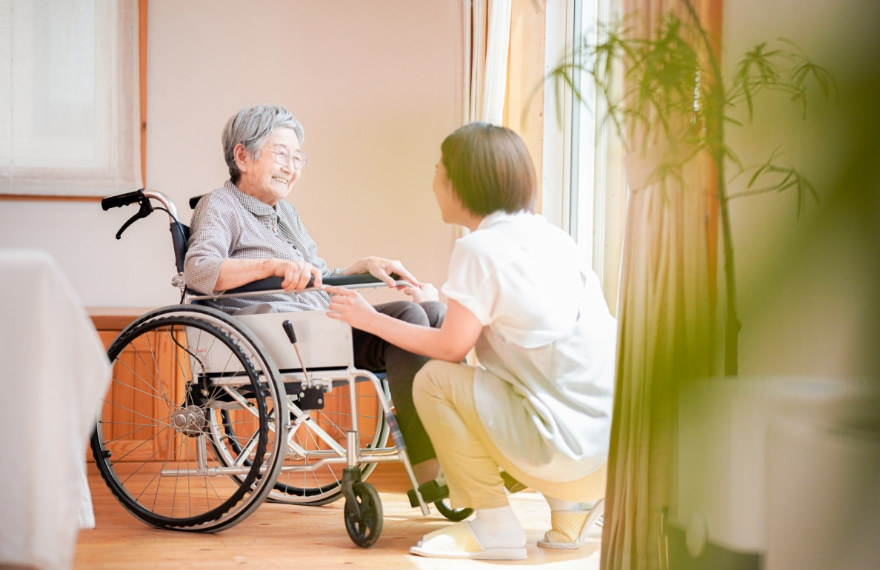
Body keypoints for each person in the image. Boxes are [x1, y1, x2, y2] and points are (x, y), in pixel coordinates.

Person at [324, 122, 617, 560]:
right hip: (609, 452)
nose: (434, 182)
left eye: (439, 171)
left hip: (561, 452)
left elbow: (450, 348)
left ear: (463, 182)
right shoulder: (553, 238)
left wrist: (369, 318)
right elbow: (516, 320)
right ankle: (568, 507)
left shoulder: (480, 248)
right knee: (523, 378)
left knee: (435, 380)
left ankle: (495, 527)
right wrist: (431, 299)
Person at [183, 104, 445, 484]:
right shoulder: (220, 205)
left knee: (433, 313)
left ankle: (453, 454)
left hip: (317, 329)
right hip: (278, 338)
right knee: (409, 317)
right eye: (281, 154)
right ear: (242, 155)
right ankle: (429, 469)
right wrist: (271, 266)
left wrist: (359, 267)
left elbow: (315, 277)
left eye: (297, 157)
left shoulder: (285, 212)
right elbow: (199, 270)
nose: (291, 167)